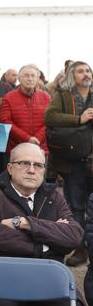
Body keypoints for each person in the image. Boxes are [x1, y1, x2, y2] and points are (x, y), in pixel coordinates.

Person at [0, 143, 83, 306]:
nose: (31, 170)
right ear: (10, 168)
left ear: (44, 170)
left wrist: (25, 223)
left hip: (47, 281)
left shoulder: (54, 196)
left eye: (38, 165)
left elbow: (73, 237)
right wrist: (46, 244)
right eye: (24, 163)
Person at [45, 61, 93, 267]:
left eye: (88, 70)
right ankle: (80, 247)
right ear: (73, 76)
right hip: (73, 161)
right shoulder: (63, 94)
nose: (86, 74)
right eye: (81, 71)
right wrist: (79, 119)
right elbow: (50, 117)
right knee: (76, 206)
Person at [0, 64, 51, 156]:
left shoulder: (46, 97)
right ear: (19, 79)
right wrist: (27, 138)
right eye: (26, 75)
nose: (30, 79)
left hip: (40, 148)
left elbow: (50, 121)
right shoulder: (8, 98)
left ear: (37, 79)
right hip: (16, 149)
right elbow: (5, 121)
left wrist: (37, 138)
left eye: (33, 76)